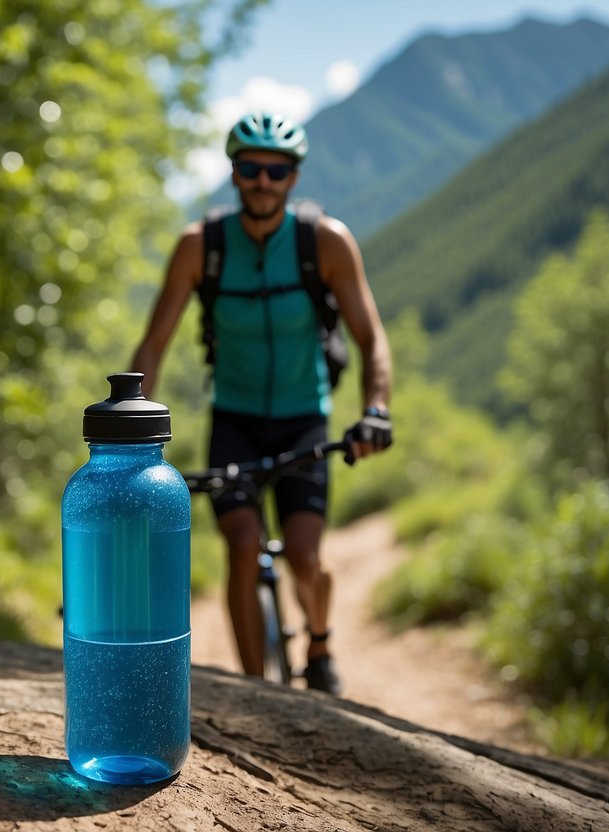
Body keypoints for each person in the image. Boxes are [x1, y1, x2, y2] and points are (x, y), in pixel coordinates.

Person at [130, 112, 393, 695]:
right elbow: (154, 343)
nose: (264, 181)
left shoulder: (325, 242)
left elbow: (372, 338)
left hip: (305, 420)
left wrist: (376, 408)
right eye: (251, 168)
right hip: (236, 422)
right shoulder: (201, 247)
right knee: (242, 542)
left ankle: (320, 646)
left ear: (294, 178)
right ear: (234, 173)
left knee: (304, 554)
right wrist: (128, 424)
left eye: (278, 170)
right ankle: (257, 695)